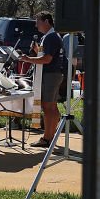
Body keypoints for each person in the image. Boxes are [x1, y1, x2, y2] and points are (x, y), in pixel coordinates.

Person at [21, 11, 65, 148]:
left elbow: (47, 59)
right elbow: (46, 54)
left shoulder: (51, 37)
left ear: (46, 21)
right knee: (51, 106)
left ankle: (47, 138)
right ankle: (51, 136)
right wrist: (37, 49)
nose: (36, 25)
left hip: (50, 75)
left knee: (48, 107)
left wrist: (28, 59)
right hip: (53, 74)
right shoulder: (50, 36)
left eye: (38, 22)